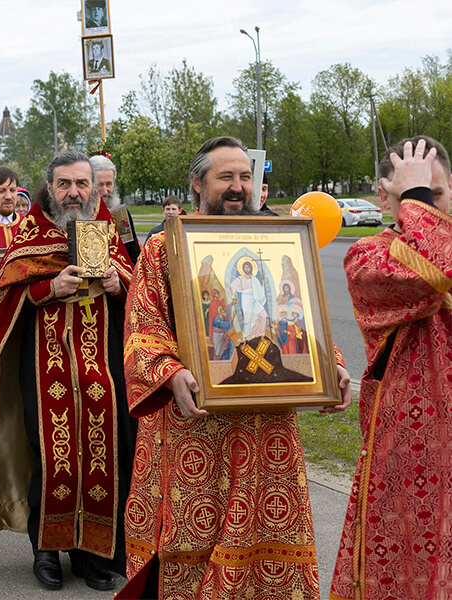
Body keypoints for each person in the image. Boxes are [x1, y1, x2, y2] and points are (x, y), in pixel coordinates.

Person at [118, 136, 352, 599]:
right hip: (193, 430)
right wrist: (169, 371)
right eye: (225, 177)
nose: (237, 187)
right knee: (189, 542)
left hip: (268, 431)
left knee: (266, 541)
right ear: (197, 184)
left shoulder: (280, 239)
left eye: (245, 177)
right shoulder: (164, 249)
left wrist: (333, 366)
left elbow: (301, 316)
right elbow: (142, 331)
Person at [0, 151, 136, 592]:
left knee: (104, 450)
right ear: (49, 188)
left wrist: (119, 285)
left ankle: (94, 554)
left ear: (93, 187)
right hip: (45, 366)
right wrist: (48, 287)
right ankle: (46, 550)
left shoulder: (107, 231)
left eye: (81, 183)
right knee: (53, 455)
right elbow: (3, 297)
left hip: (102, 368)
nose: (74, 192)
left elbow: (140, 291)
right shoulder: (31, 232)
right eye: (64, 184)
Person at [331, 136, 452, 600]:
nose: (429, 207)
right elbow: (427, 274)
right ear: (385, 197)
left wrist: (415, 197)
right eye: (413, 196)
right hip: (412, 450)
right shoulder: (367, 256)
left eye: (436, 195)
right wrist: (417, 200)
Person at [90, 154, 140, 264]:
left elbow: (133, 254)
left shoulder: (121, 214)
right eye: (99, 185)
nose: (105, 190)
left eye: (108, 184)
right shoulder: (78, 214)